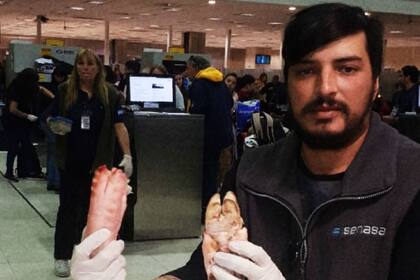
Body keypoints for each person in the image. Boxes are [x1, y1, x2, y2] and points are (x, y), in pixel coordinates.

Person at [70, 3, 420, 279]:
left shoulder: (410, 181)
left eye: (346, 69)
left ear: (375, 82)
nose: (325, 88)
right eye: (306, 71)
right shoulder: (253, 172)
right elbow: (202, 269)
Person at [48, 49, 133, 278]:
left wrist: (127, 155)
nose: (85, 68)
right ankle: (62, 256)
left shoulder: (111, 95)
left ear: (98, 68)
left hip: (99, 163)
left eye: (90, 64)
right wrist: (55, 125)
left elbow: (119, 125)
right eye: (81, 64)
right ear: (76, 67)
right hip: (71, 160)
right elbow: (53, 117)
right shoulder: (65, 91)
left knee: (92, 212)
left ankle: (87, 254)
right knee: (67, 209)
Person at [184, 55, 234, 213]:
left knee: (205, 171)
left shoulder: (199, 84)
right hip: (223, 133)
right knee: (214, 170)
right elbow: (230, 103)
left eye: (188, 68)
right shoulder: (220, 82)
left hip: (206, 135)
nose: (187, 71)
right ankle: (212, 202)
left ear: (195, 67)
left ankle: (206, 205)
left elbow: (197, 110)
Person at [2, 68, 53, 182]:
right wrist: (27, 116)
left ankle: (23, 170)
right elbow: (12, 109)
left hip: (23, 122)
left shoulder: (30, 87)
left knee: (26, 145)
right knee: (14, 146)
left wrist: (55, 99)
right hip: (12, 121)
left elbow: (42, 89)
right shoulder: (16, 89)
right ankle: (9, 171)